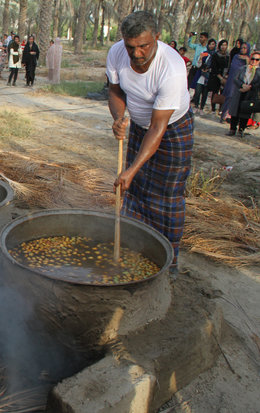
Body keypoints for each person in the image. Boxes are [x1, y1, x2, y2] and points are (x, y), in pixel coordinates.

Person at [107, 11, 193, 273]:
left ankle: (168, 264)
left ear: (157, 37)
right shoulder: (116, 53)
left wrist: (131, 169)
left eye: (143, 46)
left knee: (166, 197)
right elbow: (115, 90)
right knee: (135, 193)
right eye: (130, 46)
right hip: (140, 126)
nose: (136, 54)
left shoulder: (172, 69)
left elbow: (158, 127)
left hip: (172, 129)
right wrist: (119, 117)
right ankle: (133, 251)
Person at [225, 50, 260, 137]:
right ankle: (232, 129)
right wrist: (242, 85)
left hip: (250, 94)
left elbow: (258, 83)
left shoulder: (259, 72)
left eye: (257, 60)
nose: (254, 61)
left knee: (245, 111)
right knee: (235, 111)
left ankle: (241, 130)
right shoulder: (243, 68)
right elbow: (235, 79)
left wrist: (250, 87)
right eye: (253, 59)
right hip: (240, 91)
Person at [221, 42, 251, 122]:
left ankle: (231, 117)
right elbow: (233, 68)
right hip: (232, 80)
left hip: (241, 82)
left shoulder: (249, 59)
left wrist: (247, 60)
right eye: (242, 48)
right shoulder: (236, 56)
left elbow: (249, 70)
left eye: (245, 48)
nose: (243, 49)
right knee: (229, 96)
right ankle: (224, 115)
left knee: (237, 99)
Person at [207, 39, 229, 114]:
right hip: (216, 76)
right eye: (222, 45)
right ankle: (213, 109)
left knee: (223, 93)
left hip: (225, 77)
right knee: (214, 92)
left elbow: (228, 66)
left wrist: (225, 77)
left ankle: (220, 109)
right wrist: (220, 77)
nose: (223, 47)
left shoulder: (228, 56)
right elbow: (214, 67)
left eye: (225, 45)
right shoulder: (216, 55)